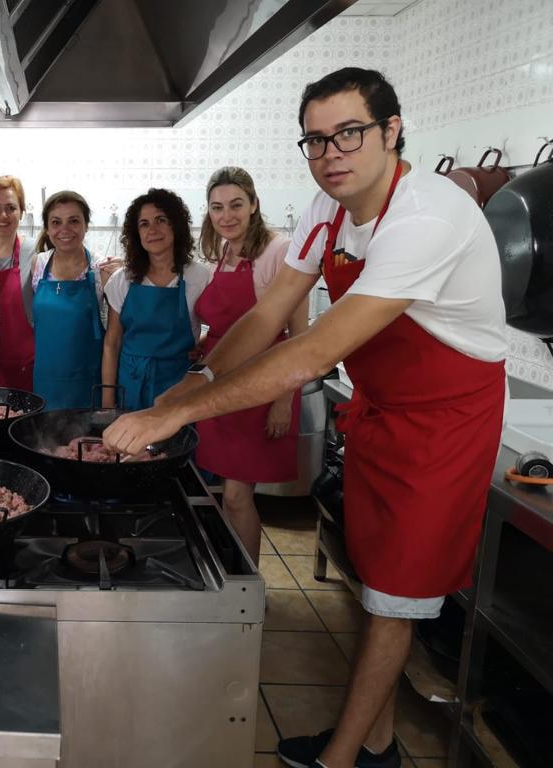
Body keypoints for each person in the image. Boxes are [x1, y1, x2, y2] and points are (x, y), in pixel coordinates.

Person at [103, 67, 506, 768]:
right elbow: (268, 314)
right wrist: (196, 380)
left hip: (442, 428)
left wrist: (183, 413)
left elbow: (312, 351)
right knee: (375, 587)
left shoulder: (427, 217)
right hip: (382, 414)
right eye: (315, 140)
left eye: (349, 133)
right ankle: (376, 744)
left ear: (391, 131)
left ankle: (340, 759)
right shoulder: (328, 209)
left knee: (394, 601)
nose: (330, 153)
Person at [191, 167, 306, 564]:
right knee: (228, 495)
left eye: (236, 205)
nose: (226, 216)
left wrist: (283, 400)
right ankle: (235, 577)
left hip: (261, 391)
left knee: (238, 496)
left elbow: (298, 336)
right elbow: (227, 325)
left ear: (254, 204)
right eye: (217, 207)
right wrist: (204, 346)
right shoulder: (222, 253)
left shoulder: (280, 252)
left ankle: (247, 583)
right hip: (220, 389)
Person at [101, 188, 209, 411]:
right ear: (136, 233)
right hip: (131, 384)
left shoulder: (200, 277)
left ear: (175, 225)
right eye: (144, 224)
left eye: (161, 220)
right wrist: (107, 401)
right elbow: (112, 343)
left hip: (180, 384)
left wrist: (203, 344)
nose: (153, 230)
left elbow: (223, 326)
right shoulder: (122, 280)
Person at [32, 191, 105, 410]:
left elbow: (116, 333)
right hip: (45, 380)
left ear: (86, 225)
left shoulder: (100, 269)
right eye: (56, 222)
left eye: (74, 221)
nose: (65, 229)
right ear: (47, 228)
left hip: (88, 382)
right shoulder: (38, 264)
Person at [0, 175, 36, 391]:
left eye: (11, 208)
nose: (3, 215)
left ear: (22, 212)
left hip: (25, 370)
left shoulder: (34, 252)